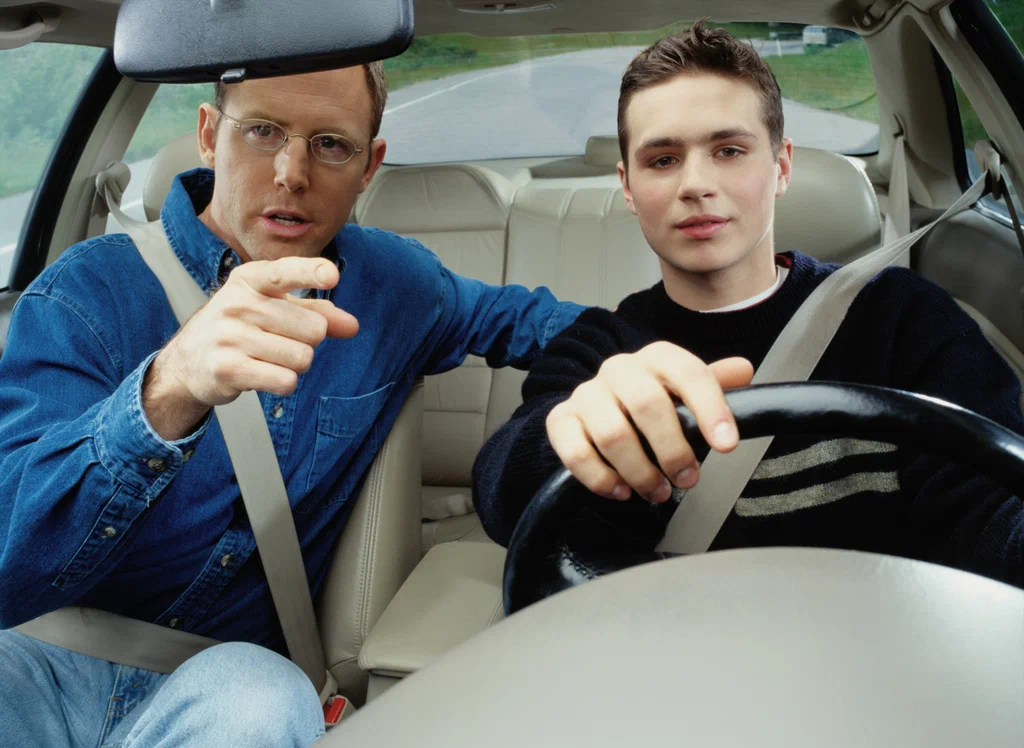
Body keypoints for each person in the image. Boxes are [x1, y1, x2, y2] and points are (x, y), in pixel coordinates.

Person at [0, 61, 582, 746]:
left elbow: (537, 323)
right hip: (39, 663)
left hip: (223, 682)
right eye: (263, 132)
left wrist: (662, 355)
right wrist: (164, 392)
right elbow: (12, 559)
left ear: (370, 166)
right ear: (209, 136)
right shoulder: (86, 293)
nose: (290, 173)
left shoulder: (395, 286)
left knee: (265, 696)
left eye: (330, 144)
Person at [473, 22, 1023, 588]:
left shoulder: (899, 315)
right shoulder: (599, 347)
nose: (695, 183)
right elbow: (502, 492)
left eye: (729, 150)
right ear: (629, 188)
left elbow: (991, 505)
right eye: (662, 160)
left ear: (782, 166)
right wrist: (579, 434)